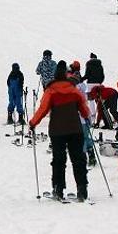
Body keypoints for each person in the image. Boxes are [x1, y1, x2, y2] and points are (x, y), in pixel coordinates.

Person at [29, 61, 90, 201]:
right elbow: (83, 107)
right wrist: (87, 117)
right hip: (75, 129)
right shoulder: (74, 89)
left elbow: (43, 109)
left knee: (58, 160)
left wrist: (33, 123)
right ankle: (82, 189)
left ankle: (58, 188)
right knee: (78, 159)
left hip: (58, 131)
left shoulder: (51, 90)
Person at [82, 52, 105, 118]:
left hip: (90, 84)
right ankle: (100, 113)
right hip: (98, 84)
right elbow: (102, 76)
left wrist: (82, 79)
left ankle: (93, 114)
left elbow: (87, 75)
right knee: (98, 99)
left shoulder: (89, 64)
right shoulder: (100, 65)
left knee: (91, 99)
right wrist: (100, 82)